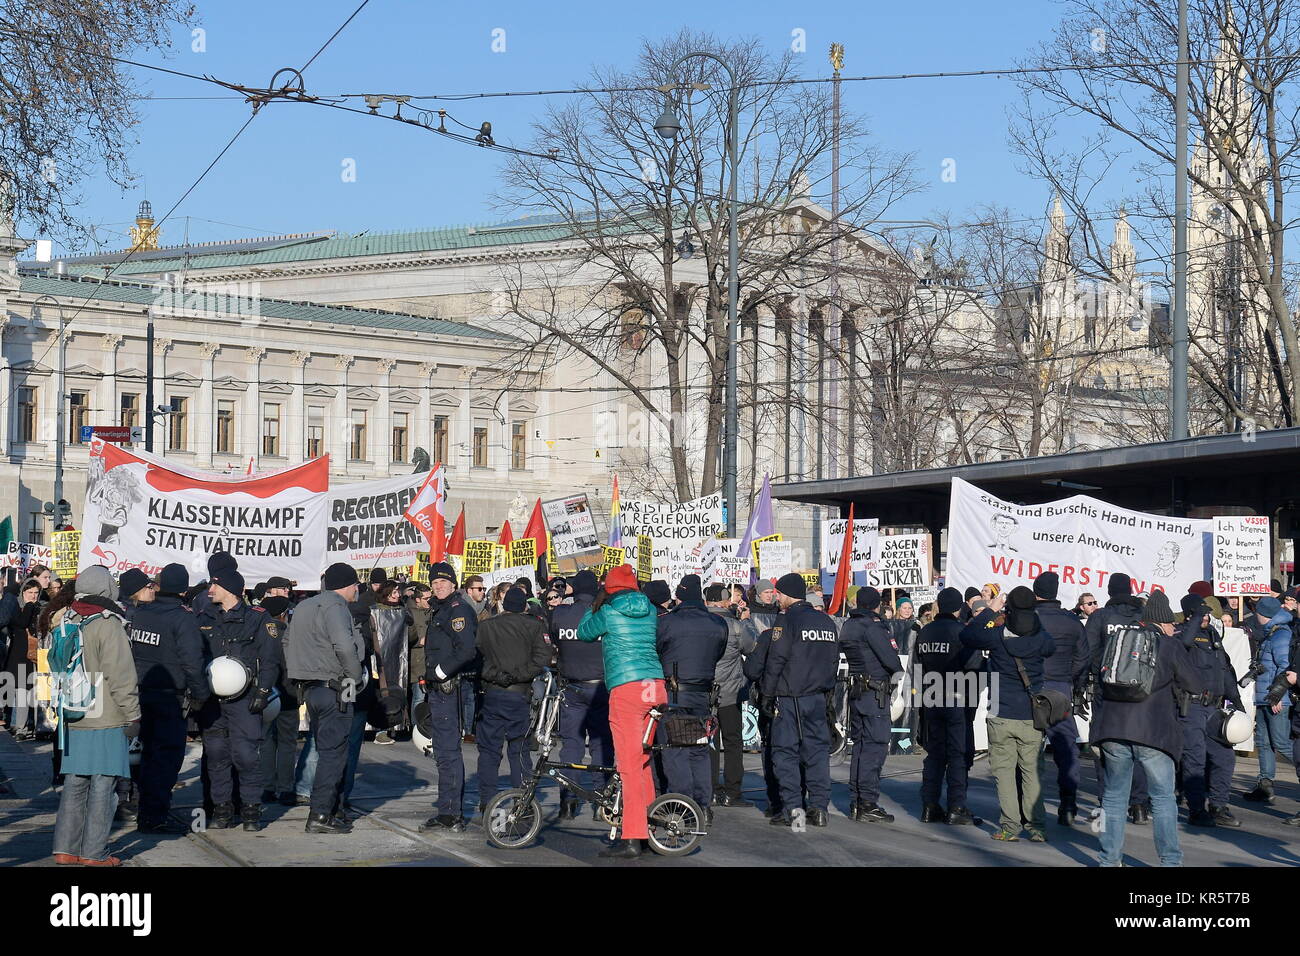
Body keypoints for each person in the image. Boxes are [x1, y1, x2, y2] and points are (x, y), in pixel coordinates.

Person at [1091, 590, 1202, 867]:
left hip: (1113, 729)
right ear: (1163, 622)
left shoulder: (1118, 639)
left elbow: (1100, 673)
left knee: (1114, 798)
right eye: (1171, 623)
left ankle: (1109, 860)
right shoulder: (1169, 645)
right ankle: (1170, 861)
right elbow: (1195, 684)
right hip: (1154, 733)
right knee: (1163, 798)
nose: (1173, 627)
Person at [50, 566, 140, 866]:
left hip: (74, 714)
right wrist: (133, 714)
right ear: (106, 590)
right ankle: (94, 853)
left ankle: (65, 848)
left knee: (75, 784)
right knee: (104, 786)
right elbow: (121, 675)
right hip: (106, 715)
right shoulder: (108, 623)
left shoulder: (66, 618)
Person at [576, 565, 665, 859]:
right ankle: (651, 829)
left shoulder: (609, 612)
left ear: (609, 589)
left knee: (627, 765)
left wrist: (593, 606)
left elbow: (584, 633)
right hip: (655, 685)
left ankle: (633, 835)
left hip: (626, 687)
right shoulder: (651, 610)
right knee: (642, 761)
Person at [960, 586, 1054, 842]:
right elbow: (1050, 647)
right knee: (1032, 772)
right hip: (1031, 714)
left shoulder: (998, 634)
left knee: (1004, 773)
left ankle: (1010, 827)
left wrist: (991, 610)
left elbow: (968, 635)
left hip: (1001, 710)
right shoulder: (1041, 637)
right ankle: (1037, 827)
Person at [195, 567, 280, 832]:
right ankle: (222, 811)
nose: (210, 589)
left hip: (245, 700)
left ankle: (251, 811)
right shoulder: (204, 616)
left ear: (230, 589)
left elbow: (270, 659)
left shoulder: (258, 618)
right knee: (217, 756)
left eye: (215, 585)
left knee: (245, 756)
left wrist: (263, 692)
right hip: (212, 701)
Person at [127, 563, 208, 833]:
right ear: (183, 588)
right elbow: (191, 662)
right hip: (169, 697)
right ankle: (154, 815)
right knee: (166, 758)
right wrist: (200, 695)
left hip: (141, 692)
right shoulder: (182, 617)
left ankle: (145, 808)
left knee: (146, 754)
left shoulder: (142, 612)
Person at [284, 563, 364, 833]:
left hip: (310, 687)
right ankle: (320, 815)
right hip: (335, 686)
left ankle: (329, 811)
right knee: (333, 754)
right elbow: (343, 644)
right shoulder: (337, 607)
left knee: (324, 748)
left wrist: (298, 670)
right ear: (347, 584)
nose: (357, 590)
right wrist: (355, 676)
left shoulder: (305, 605)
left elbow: (287, 641)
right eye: (356, 585)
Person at [761, 572, 840, 829]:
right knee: (817, 754)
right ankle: (819, 808)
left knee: (786, 754)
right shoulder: (826, 622)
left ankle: (794, 811)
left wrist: (767, 695)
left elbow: (776, 661)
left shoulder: (787, 621)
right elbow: (833, 662)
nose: (777, 599)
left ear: (786, 594)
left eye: (779, 594)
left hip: (790, 697)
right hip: (818, 697)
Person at [655, 574, 727, 817]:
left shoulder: (667, 622)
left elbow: (657, 650)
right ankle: (702, 805)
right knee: (698, 748)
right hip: (702, 693)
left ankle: (682, 804)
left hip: (675, 693)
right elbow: (718, 653)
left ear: (681, 594)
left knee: (675, 749)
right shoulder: (717, 624)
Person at [474, 586, 551, 811]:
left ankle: (487, 800)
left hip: (494, 692)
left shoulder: (486, 627)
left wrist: (499, 675)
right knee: (519, 749)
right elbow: (542, 658)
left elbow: (477, 659)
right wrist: (517, 676)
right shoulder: (534, 627)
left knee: (489, 751)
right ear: (524, 607)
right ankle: (522, 802)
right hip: (518, 693)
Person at [1084, 573, 1151, 823]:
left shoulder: (1100, 616)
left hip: (1107, 691)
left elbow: (1087, 651)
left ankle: (1108, 803)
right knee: (1137, 746)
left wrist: (1087, 680)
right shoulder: (1142, 616)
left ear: (1110, 591)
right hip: (1139, 692)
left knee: (1105, 746)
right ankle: (1139, 805)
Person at [419, 562, 478, 832]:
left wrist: (441, 672)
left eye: (443, 582)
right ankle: (448, 809)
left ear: (454, 584)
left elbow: (466, 650)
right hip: (439, 688)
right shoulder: (440, 609)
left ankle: (451, 813)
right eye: (434, 583)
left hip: (450, 688)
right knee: (442, 751)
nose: (438, 586)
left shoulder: (458, 610)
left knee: (448, 751)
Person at [549, 569, 612, 819]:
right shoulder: (603, 615)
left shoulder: (562, 613)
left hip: (572, 687)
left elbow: (555, 637)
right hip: (600, 687)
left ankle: (568, 799)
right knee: (601, 744)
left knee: (571, 745)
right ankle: (601, 800)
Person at [915, 586, 979, 825]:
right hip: (956, 697)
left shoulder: (925, 632)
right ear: (958, 607)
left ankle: (930, 805)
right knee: (957, 754)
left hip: (931, 697)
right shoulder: (962, 632)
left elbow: (917, 666)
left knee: (934, 754)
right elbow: (974, 667)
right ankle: (956, 806)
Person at [839, 586, 902, 823]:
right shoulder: (873, 626)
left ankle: (856, 800)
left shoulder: (848, 625)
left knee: (860, 747)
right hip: (875, 692)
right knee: (874, 748)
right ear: (875, 605)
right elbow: (891, 660)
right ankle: (867, 802)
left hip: (856, 690)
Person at [1179, 598, 1244, 828]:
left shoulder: (1214, 637)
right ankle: (1196, 810)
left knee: (1224, 757)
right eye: (1201, 613)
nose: (1206, 616)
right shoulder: (1182, 635)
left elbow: (1225, 671)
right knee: (1194, 759)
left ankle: (1218, 806)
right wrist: (1196, 618)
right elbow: (1183, 644)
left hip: (1214, 708)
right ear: (1190, 614)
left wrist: (1236, 700)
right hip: (1192, 707)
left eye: (1207, 613)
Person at [1031, 571, 1089, 826]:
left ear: (1036, 591)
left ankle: (1027, 805)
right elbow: (1083, 657)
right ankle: (1067, 803)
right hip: (1060, 687)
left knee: (1027, 747)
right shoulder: (1071, 621)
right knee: (1066, 748)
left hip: (1031, 686)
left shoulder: (1027, 618)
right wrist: (1068, 677)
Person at [705, 583, 757, 809]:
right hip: (731, 692)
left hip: (705, 690)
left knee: (709, 741)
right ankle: (732, 791)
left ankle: (711, 789)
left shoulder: (701, 623)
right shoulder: (736, 625)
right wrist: (746, 620)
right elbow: (751, 646)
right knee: (733, 742)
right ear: (726, 601)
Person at [1245, 595, 1295, 804]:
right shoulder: (1271, 634)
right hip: (1266, 698)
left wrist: (1277, 696)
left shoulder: (1281, 635)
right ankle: (1265, 785)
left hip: (1275, 699)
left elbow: (1286, 669)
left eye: (1258, 612)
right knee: (1263, 743)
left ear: (1264, 614)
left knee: (1282, 744)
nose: (1256, 616)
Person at [256, 595, 298, 807]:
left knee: (266, 742)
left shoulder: (258, 633)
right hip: (288, 695)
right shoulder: (289, 634)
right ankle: (286, 789)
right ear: (283, 614)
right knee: (287, 743)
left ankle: (267, 787)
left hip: (266, 695)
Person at [370, 581, 413, 745]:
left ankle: (392, 725)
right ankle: (377, 728)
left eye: (398, 592)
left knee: (394, 689)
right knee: (379, 691)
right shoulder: (373, 611)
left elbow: (412, 633)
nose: (397, 595)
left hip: (395, 660)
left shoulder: (402, 612)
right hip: (378, 659)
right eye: (393, 593)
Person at [4, 578, 41, 740]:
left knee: (31, 692)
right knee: (19, 691)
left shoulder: (40, 608)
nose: (33, 596)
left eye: (36, 593)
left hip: (36, 654)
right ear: (23, 593)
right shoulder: (16, 607)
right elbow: (21, 622)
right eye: (29, 593)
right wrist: (29, 606)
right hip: (18, 654)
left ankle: (26, 726)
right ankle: (18, 725)